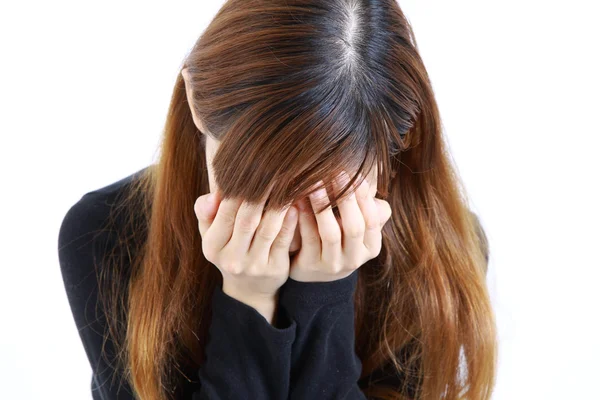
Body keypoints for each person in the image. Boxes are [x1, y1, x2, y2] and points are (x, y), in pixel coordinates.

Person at [58, 1, 496, 399]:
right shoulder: (105, 235)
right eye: (259, 183)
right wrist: (247, 300)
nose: (285, 224)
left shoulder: (440, 255)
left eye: (327, 195)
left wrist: (325, 296)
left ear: (394, 149)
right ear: (196, 102)